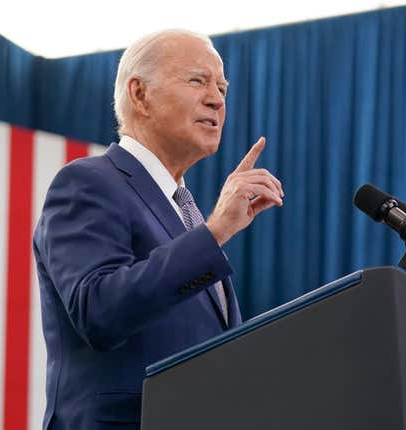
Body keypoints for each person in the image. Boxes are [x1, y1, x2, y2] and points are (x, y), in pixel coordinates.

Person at [33, 29, 284, 430]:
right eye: (197, 81)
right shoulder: (88, 182)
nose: (217, 99)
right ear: (139, 94)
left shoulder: (184, 211)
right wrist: (216, 231)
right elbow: (98, 310)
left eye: (221, 87)